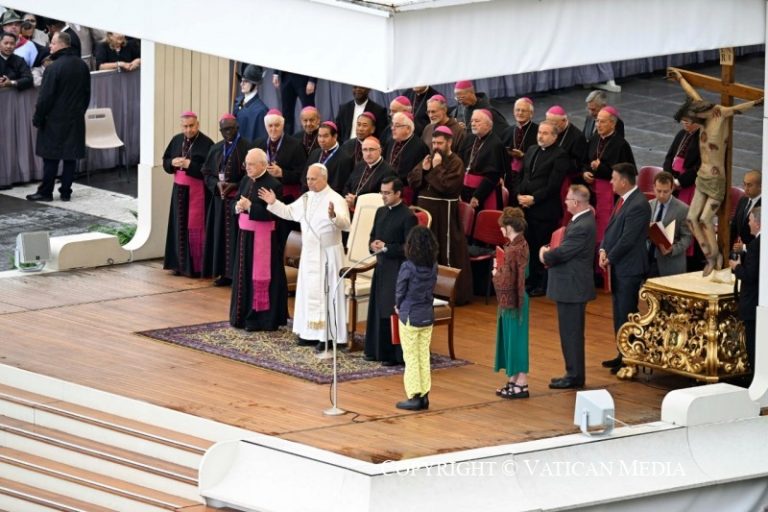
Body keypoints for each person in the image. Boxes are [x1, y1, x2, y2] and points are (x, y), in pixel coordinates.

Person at [668, 68, 763, 275]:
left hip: (716, 179)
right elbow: (691, 93)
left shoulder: (719, 113)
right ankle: (709, 256)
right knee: (691, 219)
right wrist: (680, 78)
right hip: (702, 177)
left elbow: (738, 108)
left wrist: (757, 102)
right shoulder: (700, 111)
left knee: (705, 219)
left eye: (693, 119)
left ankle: (716, 255)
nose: (692, 122)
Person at [258, 163, 351, 351]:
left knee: (326, 294)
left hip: (328, 254)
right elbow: (289, 212)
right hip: (309, 254)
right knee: (308, 294)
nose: (309, 182)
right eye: (308, 178)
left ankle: (328, 336)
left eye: (313, 179)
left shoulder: (336, 198)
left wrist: (334, 216)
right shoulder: (306, 198)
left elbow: (346, 224)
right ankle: (309, 333)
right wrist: (273, 202)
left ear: (324, 178)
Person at [408, 125, 473, 305]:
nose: (435, 146)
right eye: (434, 142)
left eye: (439, 143)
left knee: (446, 252)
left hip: (444, 215)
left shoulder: (456, 162)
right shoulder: (428, 158)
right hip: (426, 214)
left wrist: (436, 168)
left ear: (449, 143)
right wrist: (425, 169)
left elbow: (447, 187)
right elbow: (412, 180)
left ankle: (449, 294)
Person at [541, 185, 596, 389]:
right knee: (569, 332)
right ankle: (572, 372)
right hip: (572, 286)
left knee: (571, 334)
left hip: (573, 287)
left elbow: (563, 253)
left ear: (576, 202)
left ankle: (574, 376)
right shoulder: (582, 220)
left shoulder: (582, 225)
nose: (565, 202)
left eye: (567, 199)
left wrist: (544, 254)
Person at [599, 163, 651, 374]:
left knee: (627, 313)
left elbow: (628, 239)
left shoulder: (638, 204)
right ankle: (621, 353)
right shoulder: (623, 200)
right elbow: (611, 230)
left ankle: (630, 357)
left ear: (623, 181)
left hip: (629, 267)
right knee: (618, 312)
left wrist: (610, 257)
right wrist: (603, 249)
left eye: (613, 178)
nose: (611, 182)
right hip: (619, 265)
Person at [27, 31, 90, 203]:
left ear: (62, 44)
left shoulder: (53, 68)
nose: (50, 46)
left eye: (53, 43)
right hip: (75, 119)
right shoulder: (82, 65)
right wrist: (79, 112)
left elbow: (45, 98)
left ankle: (46, 192)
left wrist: (38, 117)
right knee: (70, 157)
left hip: (54, 120)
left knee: (50, 158)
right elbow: (87, 94)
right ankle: (66, 192)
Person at [230, 148, 288, 332]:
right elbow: (235, 200)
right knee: (243, 275)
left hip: (264, 241)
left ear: (263, 165)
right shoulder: (245, 180)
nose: (247, 168)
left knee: (259, 277)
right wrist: (238, 207)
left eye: (252, 164)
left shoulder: (273, 185)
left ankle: (260, 320)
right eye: (246, 164)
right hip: (244, 238)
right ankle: (240, 316)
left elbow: (275, 215)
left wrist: (250, 207)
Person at [365, 177, 418, 366]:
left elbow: (410, 248)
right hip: (381, 267)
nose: (383, 196)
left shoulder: (408, 216)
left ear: (398, 193)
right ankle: (375, 350)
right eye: (382, 192)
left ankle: (393, 355)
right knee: (378, 308)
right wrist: (373, 245)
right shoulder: (380, 211)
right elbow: (373, 235)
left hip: (398, 270)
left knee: (391, 310)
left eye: (387, 193)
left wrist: (387, 247)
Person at [515, 120, 570, 296]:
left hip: (545, 210)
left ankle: (541, 284)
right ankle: (530, 280)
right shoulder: (532, 150)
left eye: (545, 133)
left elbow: (553, 185)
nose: (540, 136)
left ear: (554, 136)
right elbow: (522, 175)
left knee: (542, 248)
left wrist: (534, 198)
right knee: (529, 247)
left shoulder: (560, 155)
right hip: (526, 209)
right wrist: (519, 195)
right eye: (540, 132)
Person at [161, 112, 215, 277]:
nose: (188, 129)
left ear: (197, 125)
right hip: (179, 192)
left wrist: (190, 165)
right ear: (181, 126)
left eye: (191, 126)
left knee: (195, 228)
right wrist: (172, 163)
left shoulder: (207, 143)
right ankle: (178, 265)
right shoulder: (177, 140)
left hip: (197, 193)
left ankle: (196, 267)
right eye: (185, 126)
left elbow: (210, 170)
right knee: (178, 226)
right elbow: (165, 160)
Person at [202, 114, 251, 286]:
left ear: (237, 128)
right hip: (219, 202)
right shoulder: (216, 148)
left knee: (236, 238)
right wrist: (216, 184)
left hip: (238, 202)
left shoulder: (247, 148)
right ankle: (223, 273)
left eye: (231, 129)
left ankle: (236, 274)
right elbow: (206, 173)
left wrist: (236, 185)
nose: (228, 132)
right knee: (220, 237)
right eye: (224, 130)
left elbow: (251, 175)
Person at [394, 225, 439, 411]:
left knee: (411, 357)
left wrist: (398, 305)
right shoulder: (434, 266)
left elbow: (400, 290)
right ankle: (425, 395)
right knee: (423, 355)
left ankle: (414, 395)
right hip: (427, 314)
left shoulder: (407, 267)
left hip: (410, 315)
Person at [492, 207, 530, 399]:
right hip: (516, 299)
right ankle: (514, 379)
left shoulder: (514, 249)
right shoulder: (520, 244)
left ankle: (522, 382)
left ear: (508, 227)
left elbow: (508, 279)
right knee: (513, 340)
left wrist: (496, 273)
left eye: (502, 227)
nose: (500, 230)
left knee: (516, 341)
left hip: (515, 302)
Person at [583, 106, 635, 245]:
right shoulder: (594, 138)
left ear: (612, 123)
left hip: (611, 193)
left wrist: (600, 168)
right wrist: (585, 172)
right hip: (592, 192)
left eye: (602, 122)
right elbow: (585, 161)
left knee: (606, 226)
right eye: (597, 121)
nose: (598, 125)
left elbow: (625, 174)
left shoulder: (621, 145)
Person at [729, 207, 760, 377]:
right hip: (759, 302)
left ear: (758, 223)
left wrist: (736, 267)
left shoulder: (756, 245)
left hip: (752, 303)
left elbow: (749, 275)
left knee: (753, 347)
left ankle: (756, 380)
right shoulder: (757, 243)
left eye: (751, 220)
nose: (748, 223)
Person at [256, 109, 307, 203]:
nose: (273, 129)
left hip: (286, 195)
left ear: (282, 125)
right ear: (266, 127)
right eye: (270, 126)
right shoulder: (259, 144)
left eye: (277, 125)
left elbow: (303, 175)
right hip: (263, 193)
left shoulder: (296, 145)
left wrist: (282, 173)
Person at [460, 109, 507, 210]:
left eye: (477, 121)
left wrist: (477, 196)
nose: (473, 124)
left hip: (485, 192)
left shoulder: (495, 144)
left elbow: (493, 175)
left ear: (488, 124)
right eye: (472, 121)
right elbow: (461, 162)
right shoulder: (469, 138)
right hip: (465, 190)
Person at [648, 171, 692, 277]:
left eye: (665, 191)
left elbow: (687, 238)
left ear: (672, 189)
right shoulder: (649, 205)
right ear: (654, 188)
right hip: (649, 260)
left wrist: (673, 249)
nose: (661, 195)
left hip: (670, 264)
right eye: (659, 191)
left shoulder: (683, 209)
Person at [385, 112, 429, 204]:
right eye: (392, 124)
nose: (392, 128)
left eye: (397, 125)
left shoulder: (419, 147)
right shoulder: (390, 142)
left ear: (408, 129)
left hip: (406, 192)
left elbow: (419, 177)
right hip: (386, 188)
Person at [343, 136, 396, 210]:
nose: (368, 154)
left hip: (370, 209)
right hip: (350, 205)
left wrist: (357, 200)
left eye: (371, 149)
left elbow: (381, 197)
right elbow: (347, 185)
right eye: (365, 150)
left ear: (380, 151)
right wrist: (348, 197)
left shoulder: (388, 171)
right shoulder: (360, 165)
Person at [662, 108, 701, 206]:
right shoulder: (681, 134)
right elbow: (669, 157)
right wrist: (669, 177)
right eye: (683, 120)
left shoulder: (703, 138)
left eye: (688, 121)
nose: (685, 123)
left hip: (688, 182)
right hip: (672, 179)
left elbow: (699, 166)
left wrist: (679, 182)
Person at [305, 121, 354, 194]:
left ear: (335, 137)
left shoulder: (345, 158)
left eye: (325, 136)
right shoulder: (315, 153)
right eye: (319, 136)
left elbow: (341, 186)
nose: (322, 140)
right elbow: (305, 181)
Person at [502, 97, 538, 179]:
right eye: (517, 110)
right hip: (509, 173)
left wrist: (523, 156)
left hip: (529, 174)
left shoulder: (538, 131)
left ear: (531, 113)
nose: (520, 113)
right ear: (513, 112)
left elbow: (541, 156)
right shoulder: (507, 131)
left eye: (523, 111)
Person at [271, 70, 316, 134]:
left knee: (309, 112)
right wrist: (276, 73)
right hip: (286, 76)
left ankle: (312, 137)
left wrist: (312, 80)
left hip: (304, 78)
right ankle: (288, 138)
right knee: (287, 113)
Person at [233, 64, 268, 144]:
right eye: (241, 81)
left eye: (245, 81)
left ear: (255, 84)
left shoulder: (261, 111)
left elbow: (262, 141)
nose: (241, 84)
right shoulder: (238, 103)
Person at [731, 170, 761, 250]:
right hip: (737, 250)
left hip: (753, 252)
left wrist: (745, 248)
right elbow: (734, 226)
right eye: (744, 184)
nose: (745, 188)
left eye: (749, 185)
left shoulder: (764, 206)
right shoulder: (743, 200)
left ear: (760, 186)